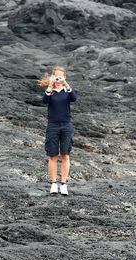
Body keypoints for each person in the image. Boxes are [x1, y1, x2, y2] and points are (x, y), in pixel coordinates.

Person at [37, 66, 77, 195]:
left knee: (65, 155)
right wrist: (50, 85)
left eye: (61, 76)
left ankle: (64, 184)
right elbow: (44, 101)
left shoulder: (67, 90)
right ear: (53, 76)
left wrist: (65, 83)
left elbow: (74, 98)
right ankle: (54, 184)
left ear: (64, 77)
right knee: (53, 155)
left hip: (66, 125)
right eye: (56, 76)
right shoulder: (50, 91)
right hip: (52, 126)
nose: (58, 79)